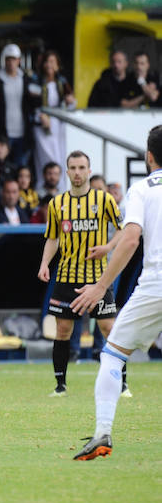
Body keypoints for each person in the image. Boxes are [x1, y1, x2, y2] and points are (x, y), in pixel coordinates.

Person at [69, 125, 162, 460]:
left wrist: (101, 285)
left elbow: (131, 237)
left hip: (156, 283)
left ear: (149, 156)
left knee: (112, 354)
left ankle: (102, 433)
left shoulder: (141, 189)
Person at [38, 150, 124, 397]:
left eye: (81, 167)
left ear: (88, 170)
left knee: (109, 328)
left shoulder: (105, 200)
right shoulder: (57, 203)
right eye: (72, 168)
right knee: (63, 329)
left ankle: (123, 383)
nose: (77, 172)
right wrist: (45, 264)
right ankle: (60, 386)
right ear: (67, 172)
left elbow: (122, 229)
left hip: (98, 276)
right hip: (66, 276)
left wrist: (108, 247)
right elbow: (53, 238)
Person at [0, 43, 39, 167]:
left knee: (21, 165)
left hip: (23, 131)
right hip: (4, 132)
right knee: (1, 164)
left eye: (14, 59)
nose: (11, 62)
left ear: (19, 60)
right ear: (4, 60)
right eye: (8, 59)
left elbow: (34, 103)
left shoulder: (26, 79)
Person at [34, 51, 76, 189]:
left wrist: (71, 102)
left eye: (53, 62)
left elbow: (71, 105)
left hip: (58, 125)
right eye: (47, 61)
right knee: (45, 157)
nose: (49, 65)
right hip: (42, 125)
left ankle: (61, 188)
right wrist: (40, 116)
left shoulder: (62, 82)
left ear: (57, 65)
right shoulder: (36, 81)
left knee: (60, 157)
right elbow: (30, 103)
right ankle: (43, 188)